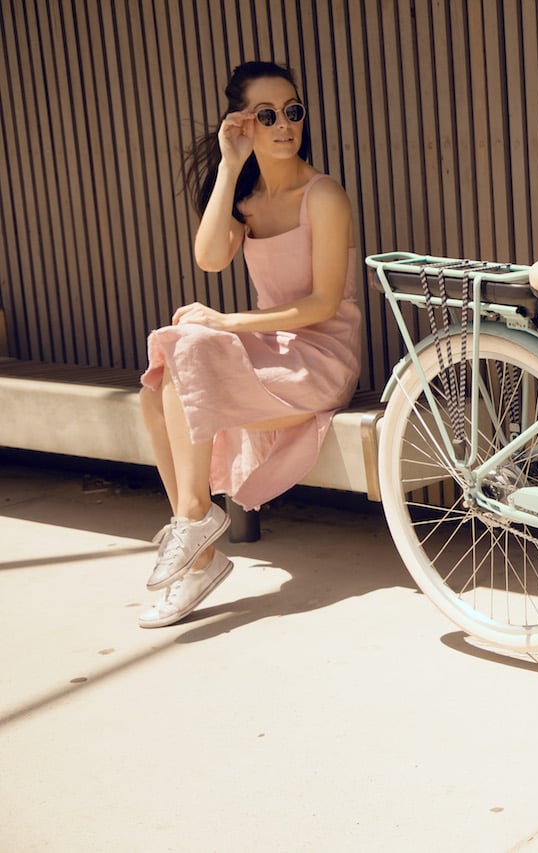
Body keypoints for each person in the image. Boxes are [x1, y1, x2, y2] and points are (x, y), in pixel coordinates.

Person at [137, 61, 361, 628]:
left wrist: (227, 322)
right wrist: (230, 165)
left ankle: (196, 532)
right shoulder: (248, 199)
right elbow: (210, 258)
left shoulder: (324, 195)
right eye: (267, 115)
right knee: (161, 376)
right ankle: (198, 537)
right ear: (242, 123)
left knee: (189, 343)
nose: (284, 124)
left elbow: (323, 306)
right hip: (269, 349)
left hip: (319, 359)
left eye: (293, 111)